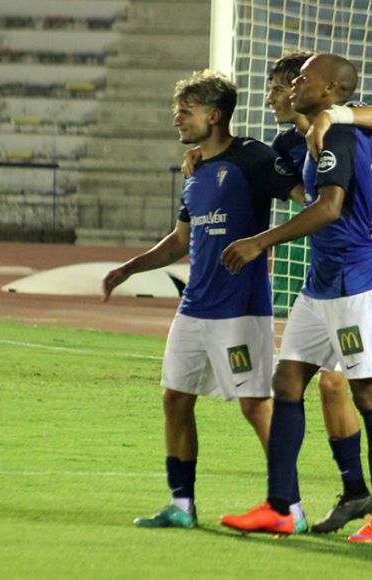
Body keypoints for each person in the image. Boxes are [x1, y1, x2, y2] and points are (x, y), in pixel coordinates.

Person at [101, 69, 304, 530]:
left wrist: (261, 241)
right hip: (194, 308)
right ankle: (182, 506)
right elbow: (178, 242)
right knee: (175, 399)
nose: (176, 118)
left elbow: (310, 204)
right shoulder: (194, 170)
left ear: (215, 116)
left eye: (185, 111)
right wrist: (128, 269)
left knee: (255, 404)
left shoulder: (253, 157)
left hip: (241, 308)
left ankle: (290, 507)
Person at [219, 53, 372, 542]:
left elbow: (329, 207)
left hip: (355, 282)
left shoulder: (340, 131)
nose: (293, 84)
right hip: (322, 282)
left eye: (303, 79)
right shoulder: (309, 132)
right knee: (288, 381)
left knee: (366, 392)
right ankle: (281, 506)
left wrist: (261, 241)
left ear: (329, 90)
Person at [266, 51, 372, 535]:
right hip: (335, 269)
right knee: (329, 382)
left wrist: (370, 212)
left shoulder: (352, 126)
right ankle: (356, 492)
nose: (277, 94)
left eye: (283, 84)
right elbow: (310, 199)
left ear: (323, 89)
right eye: (280, 86)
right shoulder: (284, 146)